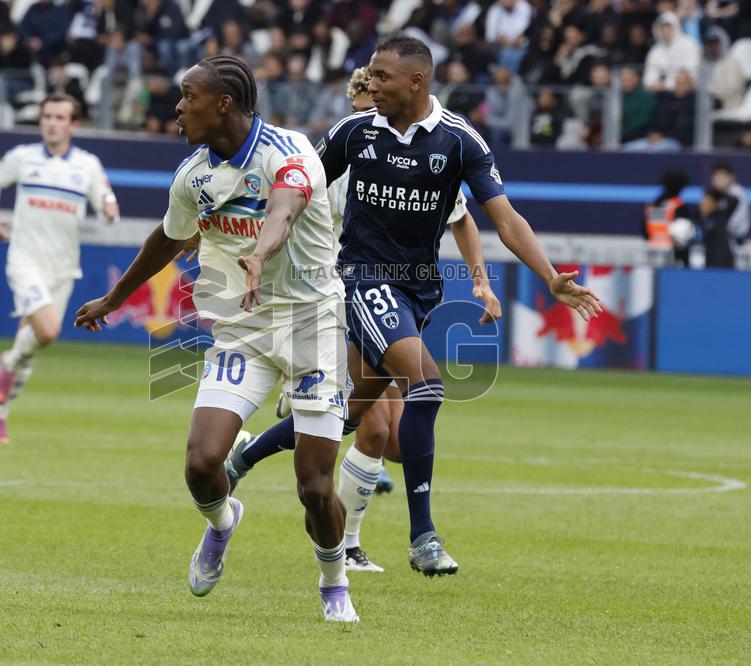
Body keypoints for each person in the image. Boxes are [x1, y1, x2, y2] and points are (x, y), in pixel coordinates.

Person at [227, 36, 602, 577]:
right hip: (360, 278)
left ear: (416, 82)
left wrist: (548, 278)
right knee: (426, 383)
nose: (371, 85)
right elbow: (297, 186)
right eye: (371, 76)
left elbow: (502, 217)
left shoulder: (458, 142)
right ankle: (422, 534)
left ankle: (246, 455)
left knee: (349, 412)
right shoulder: (354, 133)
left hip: (419, 291)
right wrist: (263, 241)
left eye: (381, 77)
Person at [73, 56, 360, 623]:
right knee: (202, 464)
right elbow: (167, 238)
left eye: (187, 96)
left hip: (314, 326)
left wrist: (260, 250)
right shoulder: (193, 175)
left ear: (223, 103)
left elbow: (287, 204)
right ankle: (224, 523)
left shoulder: (291, 149)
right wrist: (114, 298)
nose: (177, 108)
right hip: (242, 328)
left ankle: (334, 583)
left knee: (314, 484)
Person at [237, 66, 505, 574]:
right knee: (389, 414)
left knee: (364, 423)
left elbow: (460, 216)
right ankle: (383, 540)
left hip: (395, 295)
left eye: (375, 106)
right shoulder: (343, 156)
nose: (371, 118)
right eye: (361, 108)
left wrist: (481, 279)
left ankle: (245, 457)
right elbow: (287, 211)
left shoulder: (421, 155)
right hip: (340, 294)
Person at [0, 92, 120, 445]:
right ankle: (8, 363)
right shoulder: (23, 158)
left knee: (32, 344)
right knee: (47, 331)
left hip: (63, 269)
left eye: (60, 118)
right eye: (47, 117)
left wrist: (109, 210)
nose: (52, 123)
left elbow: (106, 200)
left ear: (73, 124)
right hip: (25, 261)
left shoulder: (87, 164)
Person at [709, 160, 750, 257]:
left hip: (733, 244)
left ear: (731, 178)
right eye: (716, 176)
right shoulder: (712, 194)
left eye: (721, 176)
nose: (717, 180)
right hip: (715, 243)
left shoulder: (737, 194)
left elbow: (734, 225)